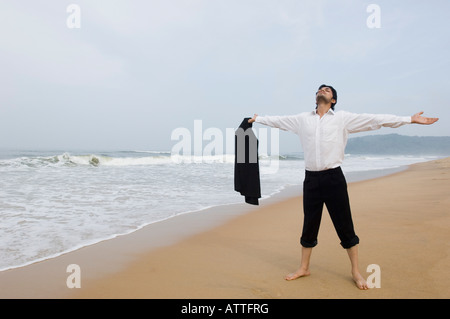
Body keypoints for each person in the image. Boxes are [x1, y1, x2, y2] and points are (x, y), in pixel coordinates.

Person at [248, 84, 439, 289]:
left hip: (333, 179)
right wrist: (258, 119)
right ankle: (304, 267)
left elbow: (376, 120)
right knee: (309, 224)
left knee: (344, 224)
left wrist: (409, 119)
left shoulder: (342, 119)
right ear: (315, 97)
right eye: (320, 89)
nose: (322, 90)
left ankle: (355, 272)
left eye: (327, 90)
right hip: (311, 179)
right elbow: (280, 121)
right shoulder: (302, 119)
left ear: (334, 100)